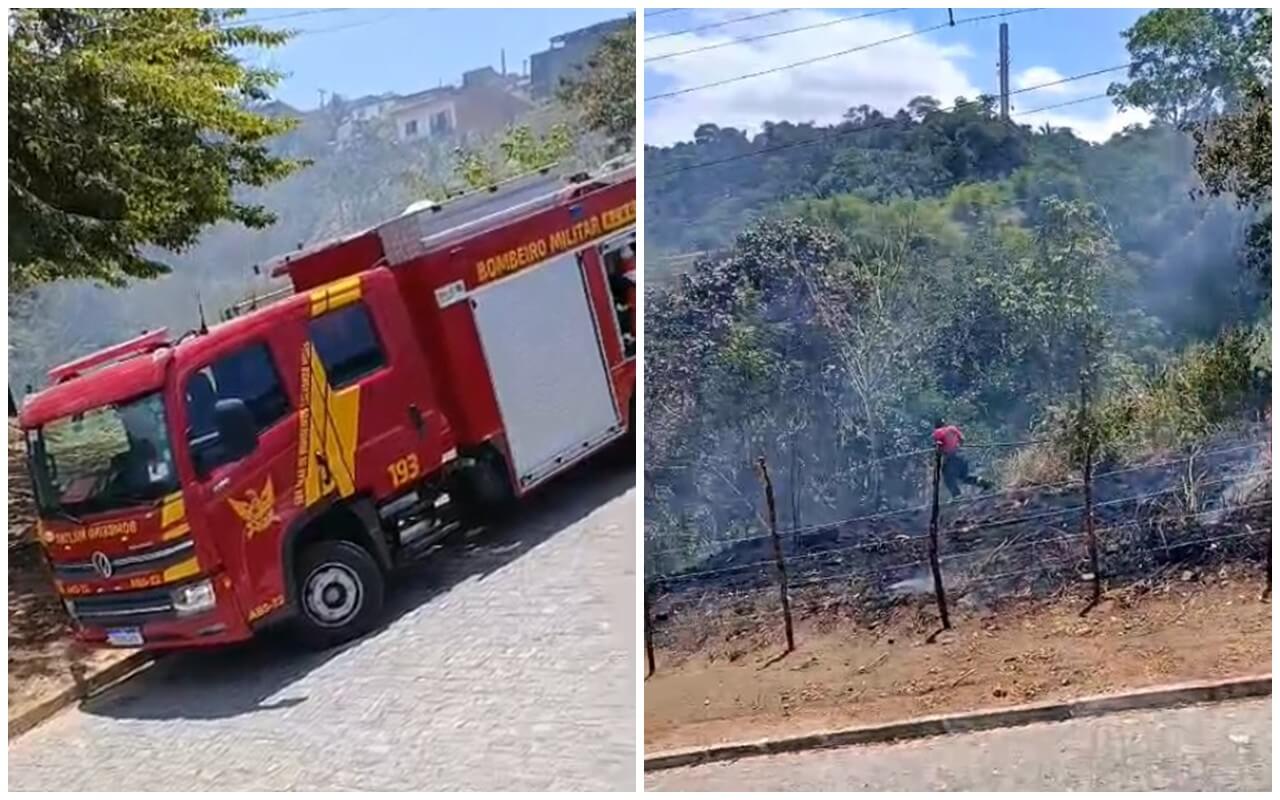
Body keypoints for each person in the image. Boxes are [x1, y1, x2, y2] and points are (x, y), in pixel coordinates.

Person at [932, 417, 991, 498]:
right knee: (964, 477)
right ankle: (984, 483)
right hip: (961, 455)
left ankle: (957, 496)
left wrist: (941, 451)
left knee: (948, 478)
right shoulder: (952, 428)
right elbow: (962, 439)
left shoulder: (937, 432)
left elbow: (938, 444)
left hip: (951, 457)